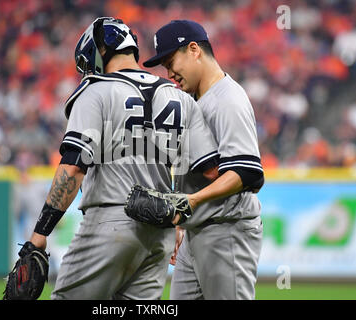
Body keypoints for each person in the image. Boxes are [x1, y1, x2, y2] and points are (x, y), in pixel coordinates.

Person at [28, 17, 219, 299]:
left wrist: (40, 234)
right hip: (160, 233)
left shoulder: (95, 90)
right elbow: (211, 171)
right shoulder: (181, 98)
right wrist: (177, 218)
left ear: (99, 51)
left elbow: (72, 169)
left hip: (110, 221)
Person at [142, 20, 264, 300]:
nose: (170, 73)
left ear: (194, 49)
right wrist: (184, 221)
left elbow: (246, 174)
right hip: (198, 232)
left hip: (227, 232)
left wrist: (191, 202)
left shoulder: (227, 100)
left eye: (172, 62)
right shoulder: (193, 99)